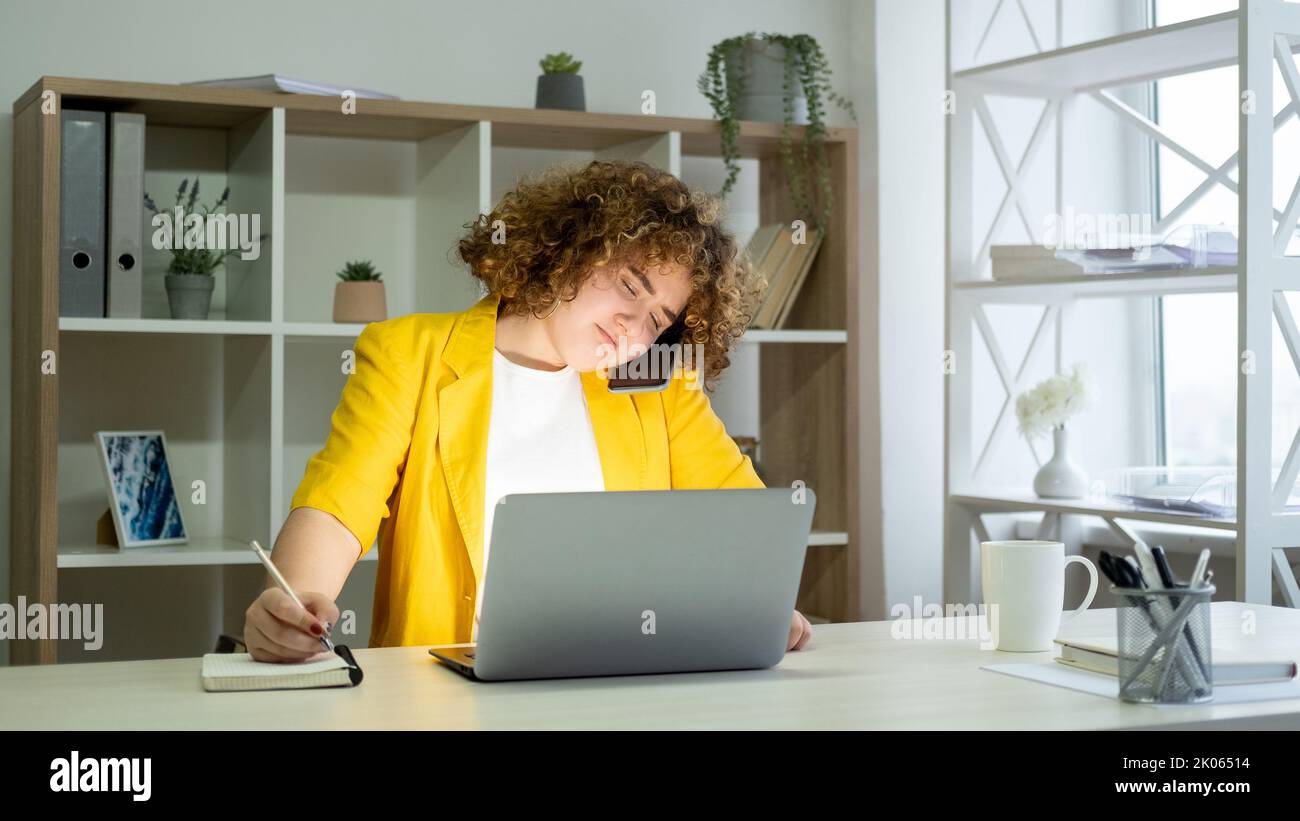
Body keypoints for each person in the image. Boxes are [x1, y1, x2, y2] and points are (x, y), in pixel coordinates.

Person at [243, 159, 814, 662]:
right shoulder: (409, 355)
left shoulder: (658, 389)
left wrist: (756, 604)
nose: (632, 327)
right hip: (443, 701)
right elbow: (338, 504)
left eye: (658, 320)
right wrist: (292, 603)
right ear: (571, 251)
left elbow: (746, 522)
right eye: (629, 286)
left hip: (618, 688)